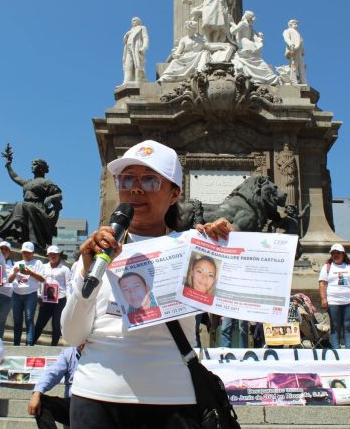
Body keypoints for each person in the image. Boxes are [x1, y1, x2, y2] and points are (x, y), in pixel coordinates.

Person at [61, 139, 231, 428]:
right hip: (95, 397)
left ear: (175, 194)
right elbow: (73, 335)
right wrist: (87, 272)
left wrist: (224, 246)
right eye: (127, 179)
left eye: (150, 181)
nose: (136, 188)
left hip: (173, 401)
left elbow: (233, 303)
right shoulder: (97, 252)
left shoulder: (194, 249)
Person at [0, 154, 64, 252]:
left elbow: (59, 195)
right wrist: (8, 165)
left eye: (34, 164)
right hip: (24, 209)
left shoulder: (46, 182)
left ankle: (25, 236)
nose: (32, 166)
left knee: (22, 205)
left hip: (38, 210)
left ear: (40, 168)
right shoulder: (28, 182)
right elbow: (15, 177)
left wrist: (51, 198)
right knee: (0, 216)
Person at [319, 244, 350, 349]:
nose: (335, 255)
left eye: (338, 253)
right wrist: (323, 299)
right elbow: (322, 283)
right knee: (335, 326)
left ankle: (348, 349)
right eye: (333, 253)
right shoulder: (327, 267)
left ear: (343, 254)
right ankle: (336, 349)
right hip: (333, 301)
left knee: (348, 326)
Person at [28, 345, 82, 429]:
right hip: (72, 404)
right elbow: (53, 373)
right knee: (41, 403)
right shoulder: (69, 353)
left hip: (94, 405)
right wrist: (36, 394)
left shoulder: (100, 354)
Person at [9, 242, 46, 346]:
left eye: (28, 253)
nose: (26, 254)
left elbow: (43, 279)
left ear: (33, 253)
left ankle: (29, 343)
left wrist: (31, 273)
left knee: (29, 319)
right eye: (24, 252)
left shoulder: (37, 263)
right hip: (16, 293)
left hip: (30, 294)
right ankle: (16, 343)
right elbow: (10, 280)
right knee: (17, 320)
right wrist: (15, 272)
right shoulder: (17, 263)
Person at [229, 10, 279, 85]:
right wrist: (232, 22)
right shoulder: (248, 25)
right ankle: (270, 76)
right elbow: (238, 29)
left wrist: (230, 23)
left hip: (245, 44)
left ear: (245, 15)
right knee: (256, 61)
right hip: (249, 44)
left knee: (252, 61)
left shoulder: (243, 23)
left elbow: (233, 31)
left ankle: (265, 77)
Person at [34, 246, 70, 346]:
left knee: (56, 325)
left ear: (59, 255)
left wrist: (68, 301)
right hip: (45, 299)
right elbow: (38, 282)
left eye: (55, 254)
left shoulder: (65, 269)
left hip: (60, 299)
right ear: (48, 255)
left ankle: (54, 346)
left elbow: (68, 285)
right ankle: (31, 344)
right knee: (40, 323)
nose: (52, 256)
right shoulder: (43, 266)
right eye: (50, 254)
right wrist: (38, 295)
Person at [0, 241, 14, 339]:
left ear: (9, 252)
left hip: (6, 295)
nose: (3, 251)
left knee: (1, 321)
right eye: (2, 248)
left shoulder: (14, 264)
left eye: (6, 249)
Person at [122, 16, 149, 84]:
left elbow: (145, 37)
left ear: (138, 21)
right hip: (128, 48)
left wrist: (144, 47)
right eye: (132, 21)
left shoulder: (142, 27)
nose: (132, 22)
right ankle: (126, 81)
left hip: (136, 47)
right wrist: (126, 35)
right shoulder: (130, 31)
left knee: (137, 63)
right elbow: (124, 41)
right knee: (128, 64)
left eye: (134, 20)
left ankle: (138, 79)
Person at [282, 19, 307, 85]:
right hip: (293, 49)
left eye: (296, 24)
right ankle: (293, 81)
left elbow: (300, 41)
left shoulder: (298, 33)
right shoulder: (287, 31)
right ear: (290, 24)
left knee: (302, 67)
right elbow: (286, 38)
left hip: (299, 51)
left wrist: (302, 50)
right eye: (295, 24)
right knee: (294, 66)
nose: (296, 25)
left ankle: (303, 81)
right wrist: (290, 44)